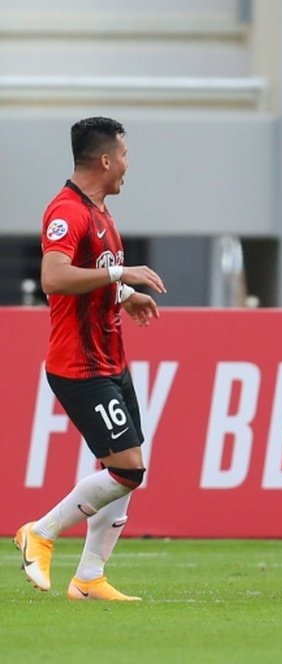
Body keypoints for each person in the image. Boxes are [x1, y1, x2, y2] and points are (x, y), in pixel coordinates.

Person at [15, 117, 165, 601]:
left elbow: (91, 276)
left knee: (120, 472)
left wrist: (122, 292)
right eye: (123, 156)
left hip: (110, 358)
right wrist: (123, 271)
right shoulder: (67, 211)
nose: (127, 165)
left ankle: (89, 579)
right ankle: (40, 531)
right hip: (79, 365)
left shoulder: (100, 212)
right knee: (127, 469)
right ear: (104, 160)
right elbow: (55, 278)